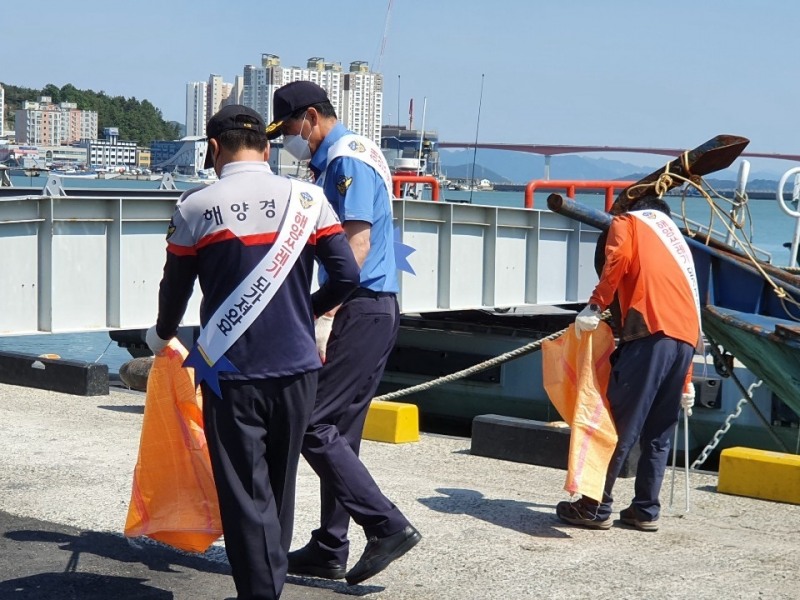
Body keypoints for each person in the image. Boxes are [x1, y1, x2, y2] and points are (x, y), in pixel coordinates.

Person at [146, 104, 360, 600]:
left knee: (244, 492)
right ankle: (269, 586)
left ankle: (259, 594)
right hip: (299, 367)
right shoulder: (309, 199)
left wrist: (161, 333)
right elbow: (347, 276)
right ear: (266, 149)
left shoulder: (195, 206)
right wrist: (305, 313)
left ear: (214, 149)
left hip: (230, 370)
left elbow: (173, 288)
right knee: (279, 488)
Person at [265, 81, 421, 586]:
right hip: (374, 308)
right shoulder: (348, 154)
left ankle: (386, 525)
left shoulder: (345, 160)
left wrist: (320, 312)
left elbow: (355, 247)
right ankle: (330, 545)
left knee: (311, 424)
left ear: (311, 116)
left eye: (289, 128)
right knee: (341, 431)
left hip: (359, 306)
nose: (289, 139)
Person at [556, 194, 699, 532]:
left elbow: (617, 258)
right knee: (658, 433)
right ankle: (645, 510)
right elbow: (693, 306)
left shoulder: (629, 222)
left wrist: (595, 304)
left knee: (619, 424)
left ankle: (594, 506)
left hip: (650, 334)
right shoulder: (679, 246)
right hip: (685, 343)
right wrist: (688, 378)